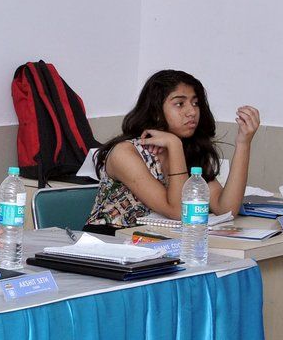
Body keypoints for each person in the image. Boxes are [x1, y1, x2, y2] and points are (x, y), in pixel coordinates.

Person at [85, 69, 261, 231]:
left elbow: (226, 210)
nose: (192, 111)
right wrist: (174, 145)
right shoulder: (125, 153)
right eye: (180, 104)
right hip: (110, 241)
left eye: (195, 103)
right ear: (156, 111)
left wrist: (243, 143)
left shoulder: (190, 149)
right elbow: (178, 212)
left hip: (161, 241)